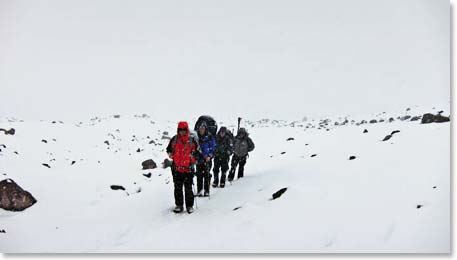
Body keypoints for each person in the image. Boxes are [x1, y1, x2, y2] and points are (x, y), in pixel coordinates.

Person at [166, 121, 199, 214]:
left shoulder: (192, 140)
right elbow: (168, 149)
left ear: (187, 130)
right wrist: (170, 154)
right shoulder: (174, 139)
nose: (182, 132)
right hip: (177, 169)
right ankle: (179, 205)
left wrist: (193, 158)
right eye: (180, 130)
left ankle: (189, 206)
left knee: (188, 189)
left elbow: (197, 153)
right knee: (178, 188)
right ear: (178, 130)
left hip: (188, 169)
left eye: (184, 130)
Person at [196, 123, 216, 197]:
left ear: (205, 129)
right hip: (199, 159)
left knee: (207, 175)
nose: (201, 130)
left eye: (203, 129)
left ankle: (206, 191)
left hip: (207, 159)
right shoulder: (196, 137)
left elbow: (213, 149)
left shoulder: (210, 137)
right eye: (200, 129)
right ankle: (200, 190)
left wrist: (209, 156)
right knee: (199, 175)